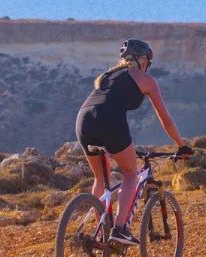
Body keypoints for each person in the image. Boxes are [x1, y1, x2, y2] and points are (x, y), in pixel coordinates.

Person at [76, 39, 191, 246]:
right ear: (143, 61)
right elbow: (166, 120)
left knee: (101, 177)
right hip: (109, 119)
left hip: (83, 119)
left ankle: (101, 234)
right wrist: (181, 145)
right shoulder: (145, 78)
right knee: (130, 174)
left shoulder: (105, 76)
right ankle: (119, 229)